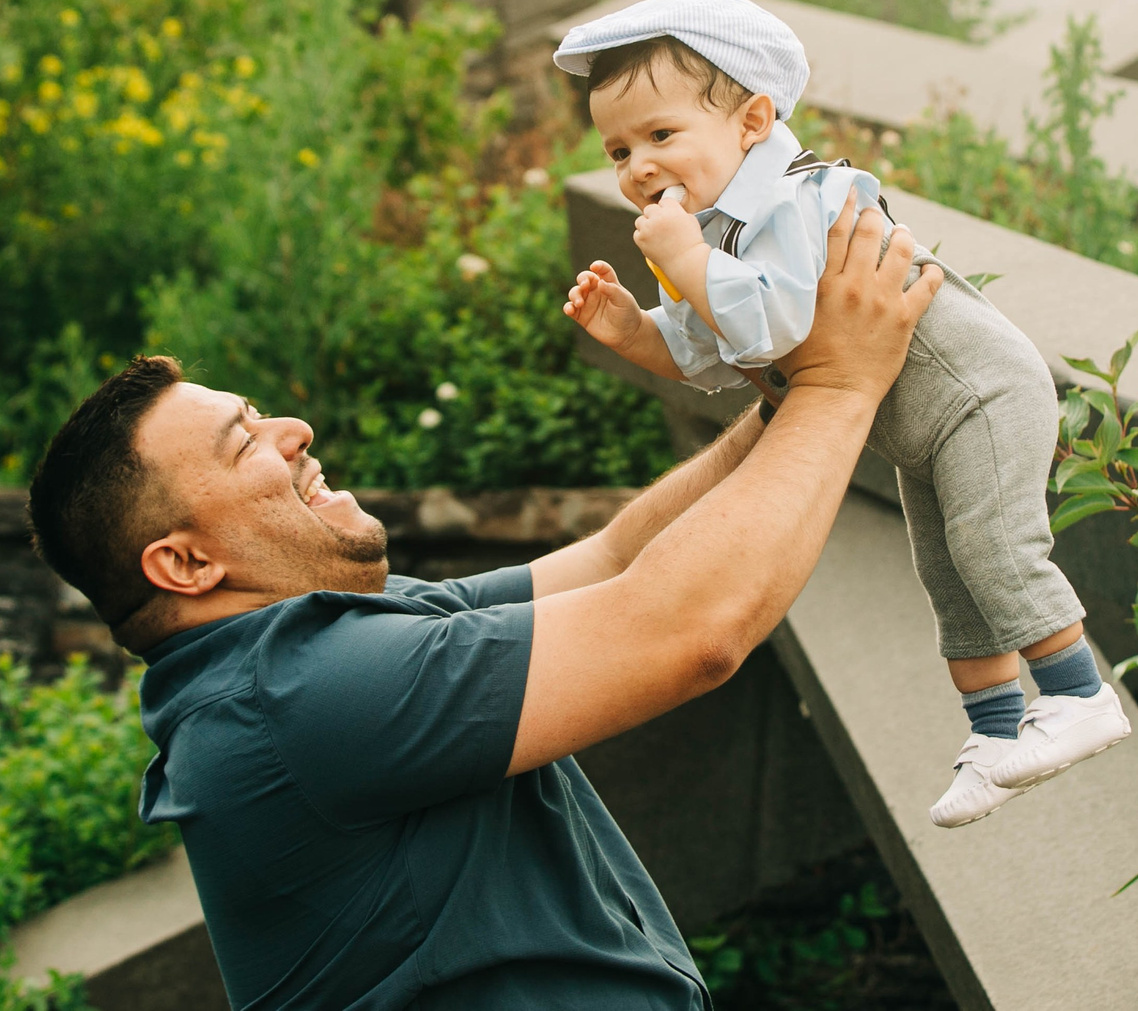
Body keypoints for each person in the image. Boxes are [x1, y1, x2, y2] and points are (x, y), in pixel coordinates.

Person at [28, 196, 934, 1011]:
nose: (293, 431)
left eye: (261, 410)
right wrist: (840, 383)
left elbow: (616, 557)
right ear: (184, 563)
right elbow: (689, 629)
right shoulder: (298, 695)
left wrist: (782, 398)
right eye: (243, 444)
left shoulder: (325, 638)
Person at [555, 0, 1130, 831]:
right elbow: (718, 354)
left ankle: (1081, 696)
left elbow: (778, 320)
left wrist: (682, 255)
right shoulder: (721, 235)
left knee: (989, 543)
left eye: (661, 135)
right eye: (618, 149)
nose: (638, 165)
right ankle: (995, 731)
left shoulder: (798, 197)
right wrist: (637, 329)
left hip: (981, 396)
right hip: (924, 431)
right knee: (947, 574)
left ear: (753, 120)